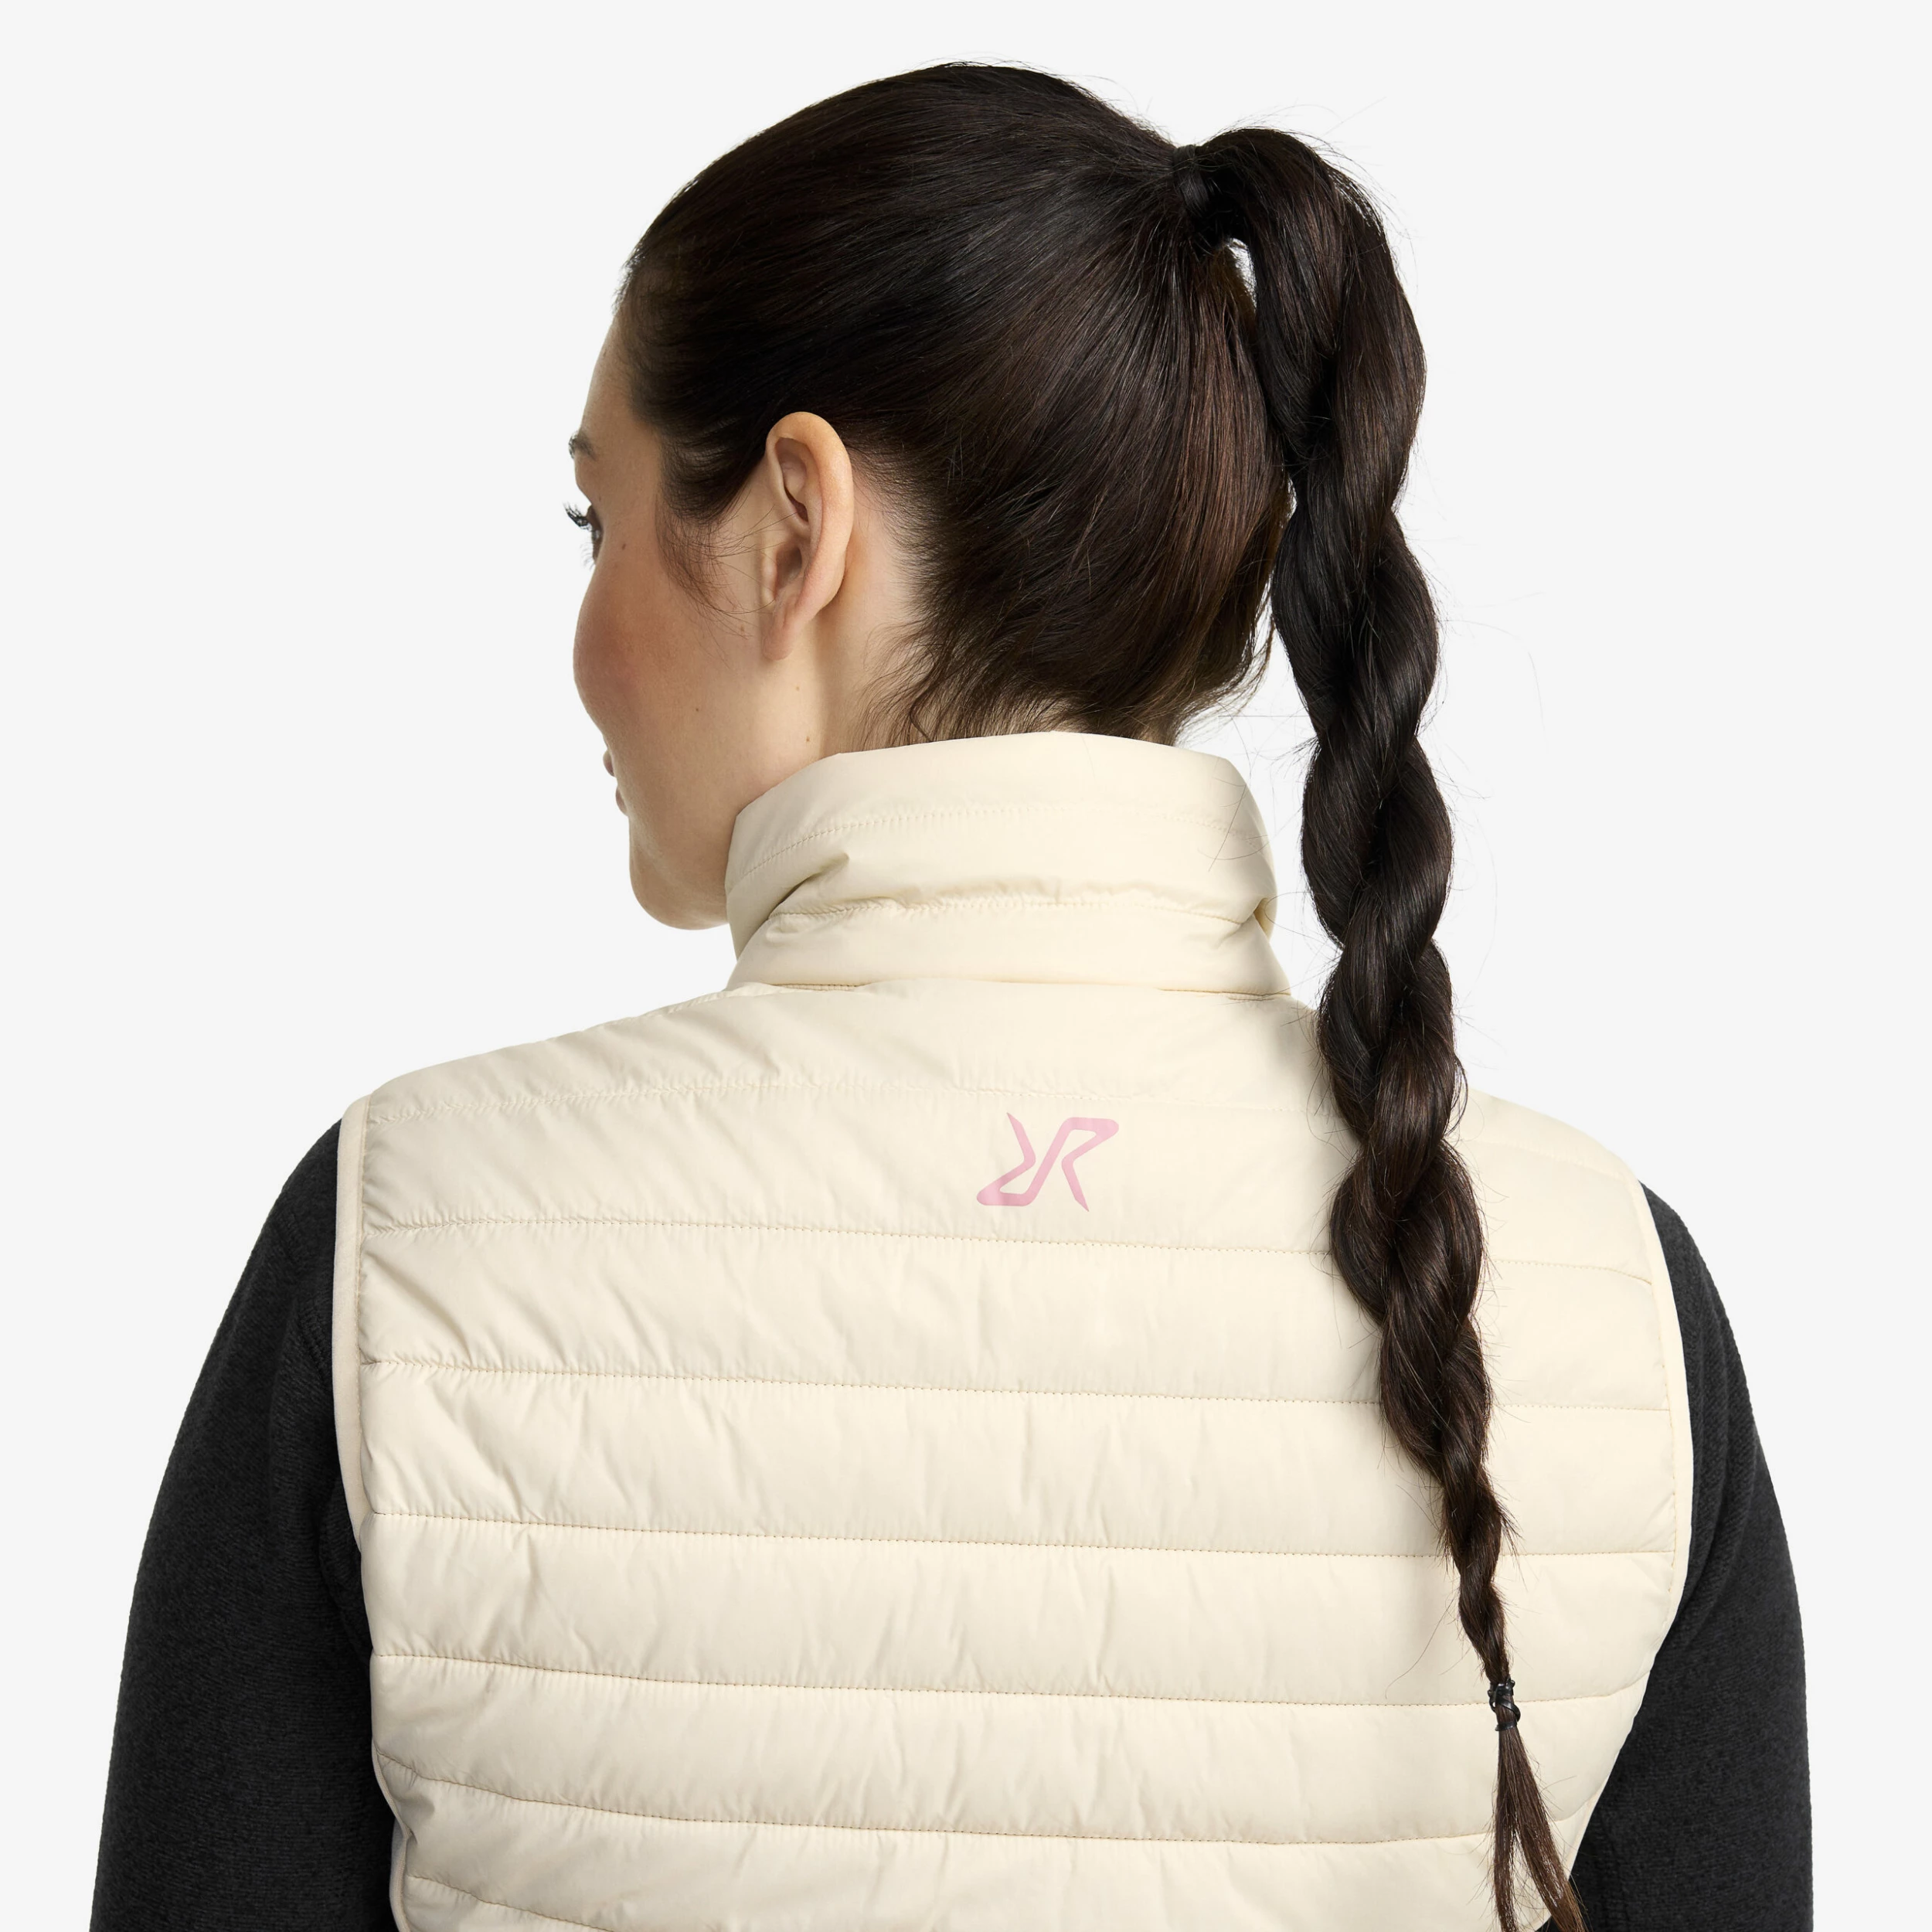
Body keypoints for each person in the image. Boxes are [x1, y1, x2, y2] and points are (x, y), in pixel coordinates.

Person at [90, 63, 1809, 1932]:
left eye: (595, 522)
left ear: (793, 525)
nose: (583, 639)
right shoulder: (1599, 1293)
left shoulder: (403, 1243)